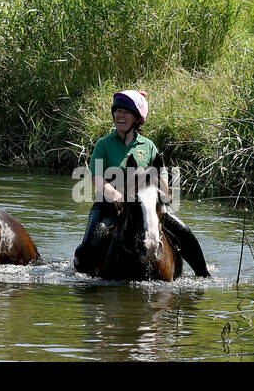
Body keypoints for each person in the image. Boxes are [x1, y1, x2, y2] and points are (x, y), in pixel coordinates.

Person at [72, 90, 209, 277]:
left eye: (126, 112)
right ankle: (84, 285)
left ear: (136, 118)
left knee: (184, 232)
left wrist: (162, 187)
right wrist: (115, 195)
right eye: (117, 111)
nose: (120, 116)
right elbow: (97, 177)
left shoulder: (148, 146)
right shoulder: (104, 145)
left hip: (146, 207)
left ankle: (204, 275)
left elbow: (163, 181)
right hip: (108, 207)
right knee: (87, 247)